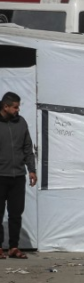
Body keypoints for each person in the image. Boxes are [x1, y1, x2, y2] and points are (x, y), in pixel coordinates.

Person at [0, 92, 37, 260]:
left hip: (18, 176)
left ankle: (13, 247)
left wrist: (32, 169)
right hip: (0, 175)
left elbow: (27, 147)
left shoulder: (21, 123)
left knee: (16, 213)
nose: (18, 109)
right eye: (15, 107)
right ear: (5, 107)